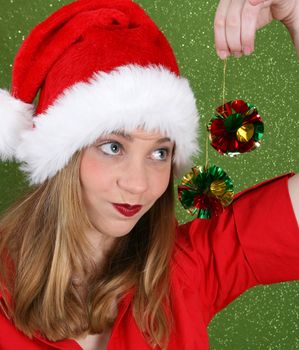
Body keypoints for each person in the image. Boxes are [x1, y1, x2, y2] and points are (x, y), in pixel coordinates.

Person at [0, 0, 298, 350]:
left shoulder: (186, 270)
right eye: (113, 147)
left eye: (160, 153)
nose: (138, 184)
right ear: (62, 156)